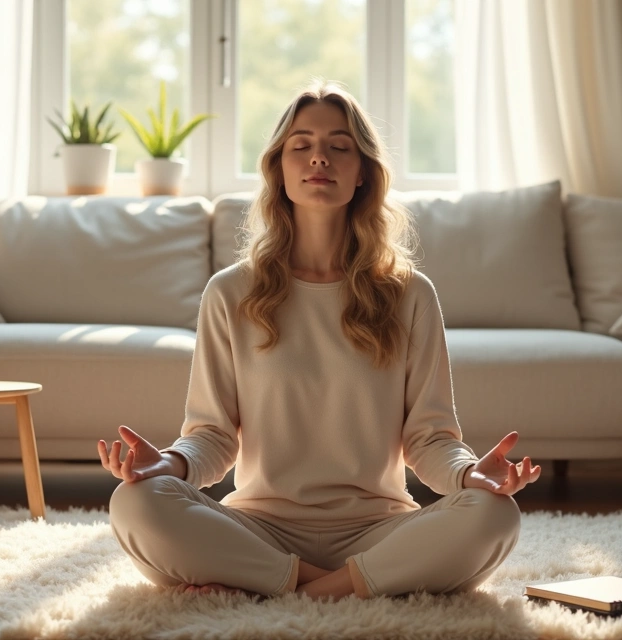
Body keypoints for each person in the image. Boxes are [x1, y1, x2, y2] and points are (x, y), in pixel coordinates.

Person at [100, 79, 541, 601]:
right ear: (279, 170)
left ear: (362, 174)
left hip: (379, 528)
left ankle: (281, 587)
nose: (319, 159)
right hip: (260, 527)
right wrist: (169, 464)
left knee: (494, 514)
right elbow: (213, 437)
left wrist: (469, 477)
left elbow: (429, 440)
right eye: (301, 145)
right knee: (134, 503)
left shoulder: (410, 295)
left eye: (339, 146)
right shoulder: (230, 293)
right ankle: (339, 588)